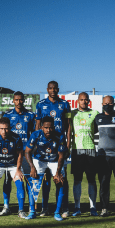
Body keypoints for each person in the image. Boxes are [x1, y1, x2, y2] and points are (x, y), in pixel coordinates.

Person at [35, 81, 71, 217]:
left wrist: (68, 145)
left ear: (58, 89)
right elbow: (38, 125)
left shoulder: (65, 104)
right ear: (47, 90)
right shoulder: (40, 104)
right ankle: (45, 208)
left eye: (55, 88)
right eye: (50, 88)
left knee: (61, 178)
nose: (53, 90)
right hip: (45, 147)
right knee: (46, 180)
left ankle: (64, 208)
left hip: (60, 147)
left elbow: (68, 126)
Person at [25, 116, 69, 221]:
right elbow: (27, 152)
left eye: (50, 127)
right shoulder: (36, 134)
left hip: (54, 160)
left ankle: (57, 212)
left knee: (60, 181)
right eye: (45, 127)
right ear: (41, 127)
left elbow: (61, 156)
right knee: (33, 182)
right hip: (39, 160)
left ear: (54, 127)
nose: (48, 130)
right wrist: (32, 167)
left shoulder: (60, 136)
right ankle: (32, 211)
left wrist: (58, 173)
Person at [0, 91, 35, 216]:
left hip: (26, 153)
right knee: (7, 180)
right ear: (13, 101)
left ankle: (30, 208)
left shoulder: (30, 115)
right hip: (11, 153)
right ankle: (6, 206)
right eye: (16, 100)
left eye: (21, 100)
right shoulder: (8, 115)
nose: (19, 102)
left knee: (28, 181)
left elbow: (34, 133)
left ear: (24, 100)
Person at [0, 117, 26, 218]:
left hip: (13, 165)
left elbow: (20, 154)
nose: (4, 131)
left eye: (6, 128)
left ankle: (21, 210)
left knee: (20, 184)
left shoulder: (16, 138)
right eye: (2, 129)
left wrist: (18, 170)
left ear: (10, 128)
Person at [69, 92, 100, 217]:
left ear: (89, 101)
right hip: (77, 151)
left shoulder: (94, 113)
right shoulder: (72, 114)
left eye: (86, 100)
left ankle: (93, 207)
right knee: (77, 180)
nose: (84, 102)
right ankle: (77, 207)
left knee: (92, 180)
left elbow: (97, 129)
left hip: (90, 150)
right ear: (78, 101)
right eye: (81, 99)